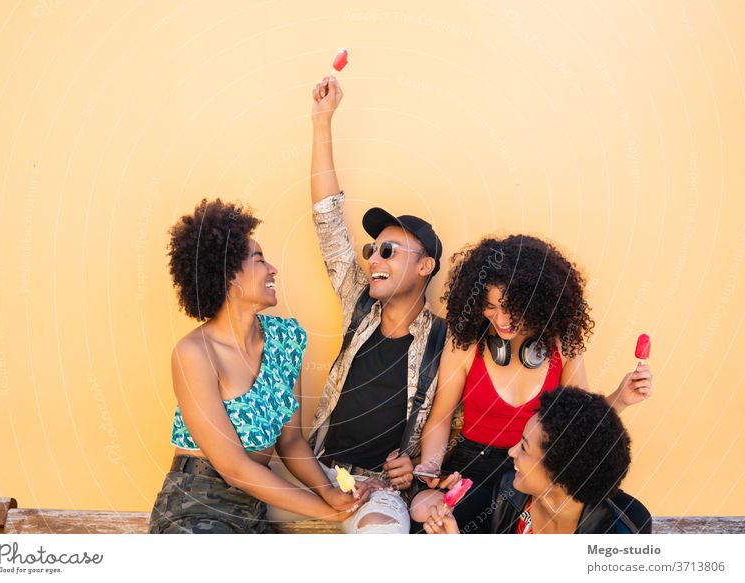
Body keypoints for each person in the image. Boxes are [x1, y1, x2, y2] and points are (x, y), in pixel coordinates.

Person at [270, 75, 451, 533]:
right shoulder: (358, 303)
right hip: (314, 472)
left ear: (426, 266)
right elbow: (328, 220)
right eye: (372, 250)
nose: (374, 259)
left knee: (382, 541)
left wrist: (417, 471)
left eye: (389, 251)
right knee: (234, 516)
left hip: (377, 491)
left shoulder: (445, 342)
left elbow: (450, 425)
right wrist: (321, 122)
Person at [148, 198, 374, 534]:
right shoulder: (194, 353)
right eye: (259, 260)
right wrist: (324, 512)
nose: (272, 269)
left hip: (254, 508)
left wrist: (330, 493)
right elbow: (234, 468)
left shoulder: (285, 339)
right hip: (196, 503)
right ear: (228, 278)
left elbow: (291, 443)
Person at [412, 235, 653, 532]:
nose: (500, 319)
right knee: (428, 517)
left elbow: (580, 427)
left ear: (537, 301)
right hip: (475, 467)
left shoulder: (562, 348)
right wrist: (432, 471)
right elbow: (440, 420)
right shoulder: (464, 346)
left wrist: (622, 397)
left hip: (539, 470)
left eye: (512, 307)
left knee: (628, 519)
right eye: (490, 306)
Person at [415, 387, 652, 534]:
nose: (511, 452)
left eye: (525, 448)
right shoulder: (508, 492)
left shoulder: (623, 530)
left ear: (559, 473)